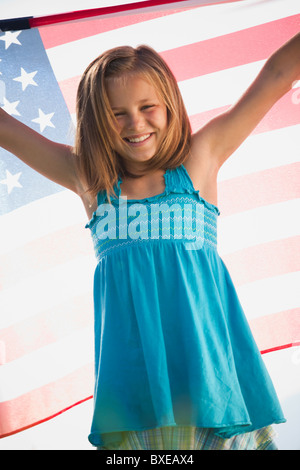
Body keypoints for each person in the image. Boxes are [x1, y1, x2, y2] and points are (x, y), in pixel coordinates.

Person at [1, 32, 299, 450]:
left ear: (170, 105)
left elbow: (276, 73)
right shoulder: (91, 180)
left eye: (147, 107)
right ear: (96, 121)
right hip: (134, 402)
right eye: (116, 113)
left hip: (214, 388)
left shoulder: (201, 158)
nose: (135, 123)